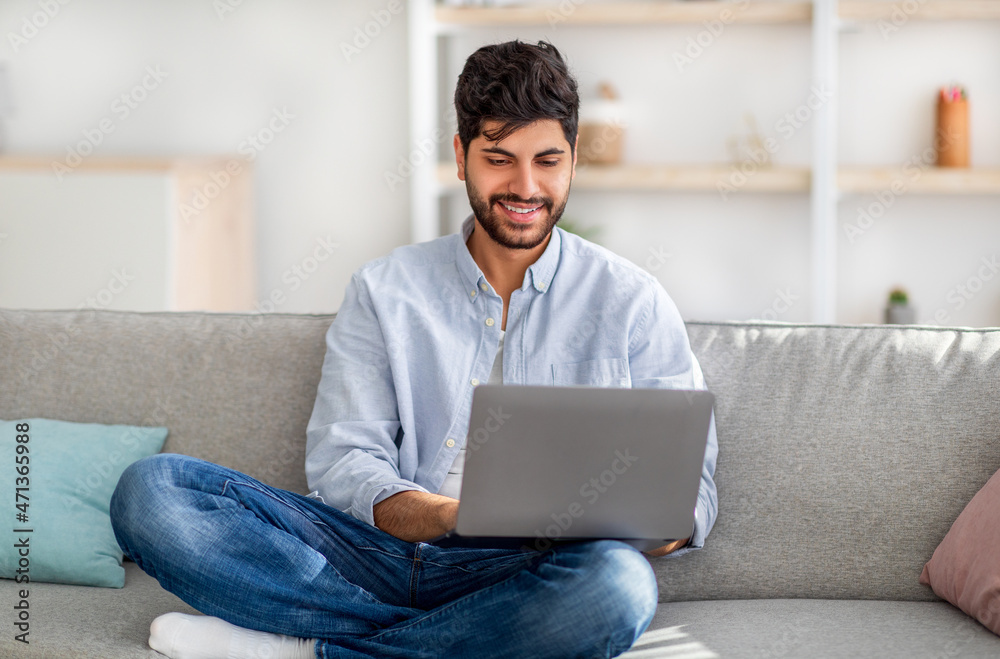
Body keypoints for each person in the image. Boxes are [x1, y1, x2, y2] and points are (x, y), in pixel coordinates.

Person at [110, 39, 718, 659]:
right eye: (499, 159)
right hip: (371, 557)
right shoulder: (385, 289)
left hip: (523, 571)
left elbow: (689, 496)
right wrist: (458, 513)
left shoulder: (633, 303)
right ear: (461, 157)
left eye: (547, 160)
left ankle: (310, 648)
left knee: (618, 587)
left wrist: (605, 518)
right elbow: (346, 462)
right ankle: (448, 641)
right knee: (153, 492)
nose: (525, 186)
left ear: (573, 159)